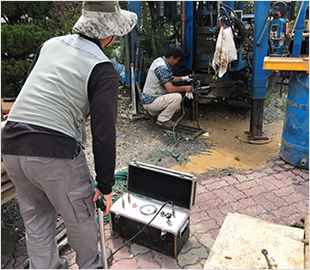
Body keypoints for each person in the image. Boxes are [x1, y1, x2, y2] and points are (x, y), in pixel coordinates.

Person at [1, 2, 137, 269]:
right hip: (55, 151)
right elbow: (104, 133)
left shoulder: (49, 45)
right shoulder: (102, 68)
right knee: (80, 216)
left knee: (37, 220)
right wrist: (106, 187)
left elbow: (31, 89)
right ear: (108, 33)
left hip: (11, 143)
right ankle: (92, 264)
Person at [140, 44, 194, 128]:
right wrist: (185, 88)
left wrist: (185, 78)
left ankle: (151, 113)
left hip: (149, 98)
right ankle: (163, 120)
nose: (177, 62)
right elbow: (170, 89)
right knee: (177, 97)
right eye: (177, 60)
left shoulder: (159, 61)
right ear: (172, 58)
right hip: (151, 100)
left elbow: (169, 79)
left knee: (177, 107)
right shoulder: (162, 68)